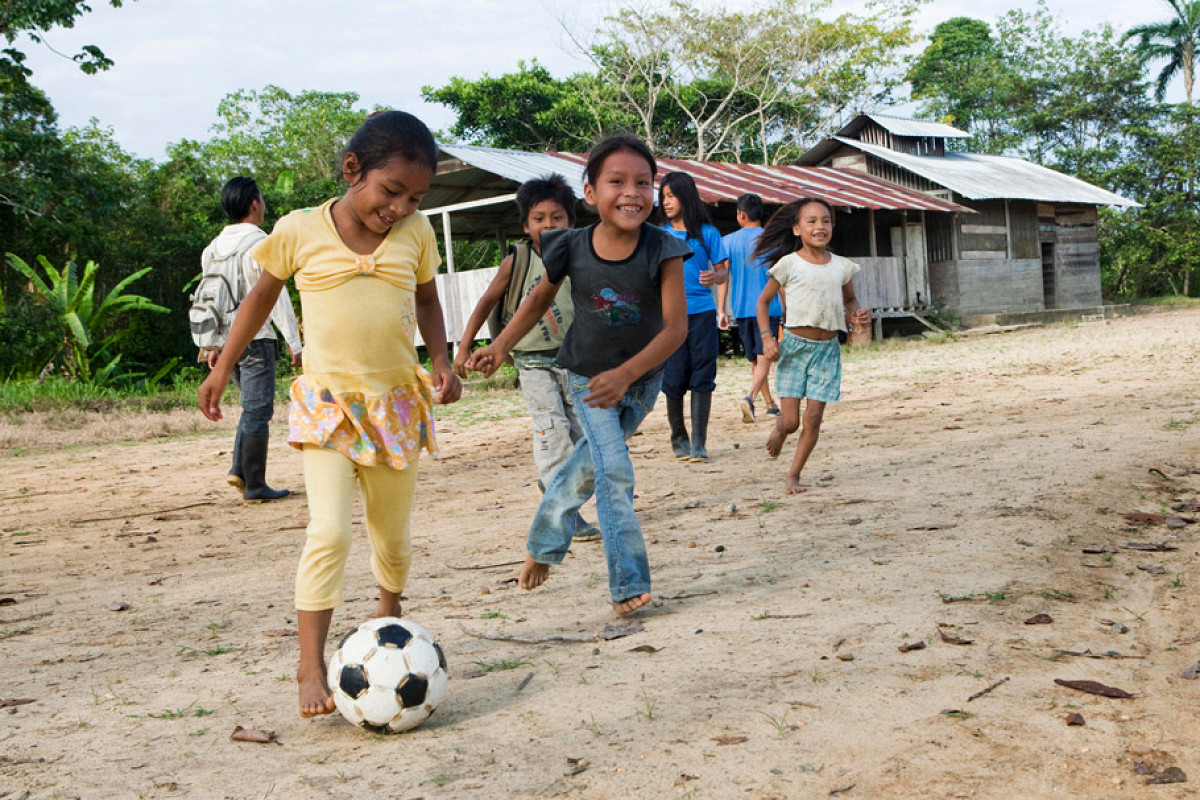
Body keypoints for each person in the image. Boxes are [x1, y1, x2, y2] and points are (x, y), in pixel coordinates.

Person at [198, 111, 462, 717]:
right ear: (352, 171)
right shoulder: (297, 230)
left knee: (391, 540)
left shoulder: (416, 234)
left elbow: (426, 298)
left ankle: (386, 626)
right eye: (391, 191)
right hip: (326, 405)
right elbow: (261, 298)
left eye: (415, 197)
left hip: (395, 404)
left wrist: (442, 359)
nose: (400, 208)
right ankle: (309, 665)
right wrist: (220, 369)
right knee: (330, 532)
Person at [466, 134, 689, 616]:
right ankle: (628, 583)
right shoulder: (570, 247)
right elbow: (539, 299)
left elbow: (675, 329)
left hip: (641, 382)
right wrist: (500, 346)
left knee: (588, 465)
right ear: (590, 193)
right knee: (613, 471)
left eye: (643, 183)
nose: (632, 192)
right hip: (589, 379)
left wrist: (628, 375)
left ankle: (542, 543)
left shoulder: (665, 248)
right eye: (617, 182)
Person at [453, 175, 599, 541]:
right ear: (525, 224)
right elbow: (485, 302)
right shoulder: (517, 260)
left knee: (584, 436)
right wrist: (465, 346)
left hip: (576, 360)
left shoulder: (581, 257)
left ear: (572, 222)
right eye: (539, 218)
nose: (548, 225)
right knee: (552, 430)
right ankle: (566, 511)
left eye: (557, 217)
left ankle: (557, 486)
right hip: (532, 361)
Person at [754, 197, 870, 495]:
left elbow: (849, 300)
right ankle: (780, 429)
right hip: (793, 348)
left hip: (827, 350)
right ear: (796, 229)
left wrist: (857, 312)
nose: (820, 226)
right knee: (792, 421)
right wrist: (767, 337)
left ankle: (794, 474)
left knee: (814, 417)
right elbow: (763, 302)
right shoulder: (788, 264)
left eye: (826, 220)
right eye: (812, 221)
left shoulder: (842, 267)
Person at [201, 177, 303, 502]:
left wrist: (212, 345)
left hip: (227, 343)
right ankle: (256, 484)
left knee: (251, 409)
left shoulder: (212, 249)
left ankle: (239, 471)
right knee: (258, 411)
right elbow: (273, 296)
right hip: (256, 338)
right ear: (254, 204)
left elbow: (209, 299)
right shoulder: (260, 242)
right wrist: (294, 341)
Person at [658, 171, 728, 462]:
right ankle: (679, 438)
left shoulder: (708, 234)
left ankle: (699, 443)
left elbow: (724, 271)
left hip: (702, 313)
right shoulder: (659, 234)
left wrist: (715, 276)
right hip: (669, 317)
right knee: (673, 377)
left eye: (671, 196)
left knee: (703, 374)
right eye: (663, 197)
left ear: (686, 196)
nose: (666, 202)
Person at [717, 192, 781, 424]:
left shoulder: (728, 241)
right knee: (765, 355)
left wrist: (721, 310)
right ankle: (752, 398)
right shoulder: (771, 239)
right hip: (770, 307)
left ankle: (769, 404)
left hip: (742, 307)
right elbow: (780, 275)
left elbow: (723, 278)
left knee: (756, 358)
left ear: (741, 215)